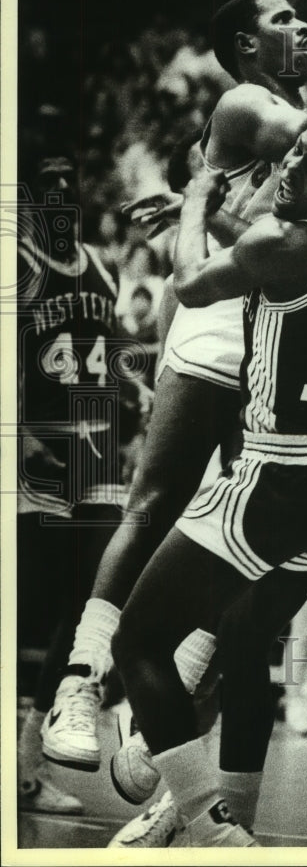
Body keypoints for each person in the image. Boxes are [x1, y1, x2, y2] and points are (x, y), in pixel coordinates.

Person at [42, 0, 307, 844]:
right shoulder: (248, 105)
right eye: (283, 20)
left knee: (253, 611)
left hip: (283, 366)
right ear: (242, 44)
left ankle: (185, 787)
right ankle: (83, 684)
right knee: (157, 509)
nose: (303, 27)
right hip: (221, 332)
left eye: (306, 19)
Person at [110, 113, 307, 847]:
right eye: (294, 150)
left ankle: (215, 830)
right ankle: (207, 802)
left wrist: (199, 195)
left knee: (140, 643)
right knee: (243, 639)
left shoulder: (282, 241)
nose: (294, 162)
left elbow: (190, 282)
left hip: (279, 474)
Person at [16, 154, 123, 814]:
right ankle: (21, 766)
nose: (60, 190)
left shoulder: (104, 266)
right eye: (46, 181)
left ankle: (32, 758)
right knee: (30, 612)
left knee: (86, 606)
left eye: (68, 179)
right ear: (29, 197)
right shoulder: (23, 264)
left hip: (94, 454)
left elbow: (106, 354)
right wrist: (23, 437)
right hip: (37, 455)